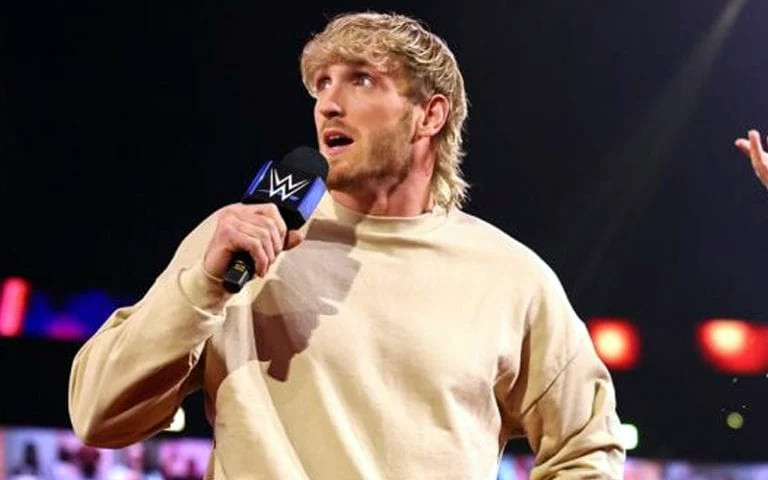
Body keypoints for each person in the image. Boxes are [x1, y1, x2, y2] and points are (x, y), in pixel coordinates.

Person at [69, 12, 624, 479]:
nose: (328, 105)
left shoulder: (509, 277)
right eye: (322, 84)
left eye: (361, 80)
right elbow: (98, 415)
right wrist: (203, 288)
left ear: (430, 114)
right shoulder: (241, 240)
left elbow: (588, 448)